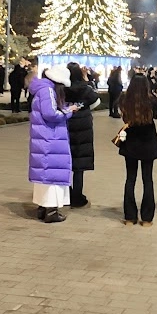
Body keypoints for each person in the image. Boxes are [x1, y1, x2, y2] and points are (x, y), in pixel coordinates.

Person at [28, 65, 79, 223]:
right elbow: (51, 114)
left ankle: (43, 208)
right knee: (53, 176)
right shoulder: (48, 90)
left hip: (44, 138)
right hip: (51, 139)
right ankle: (51, 211)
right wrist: (69, 111)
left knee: (45, 175)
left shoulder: (42, 89)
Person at [118, 73, 157, 226]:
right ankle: (147, 218)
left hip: (130, 142)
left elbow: (123, 115)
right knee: (147, 179)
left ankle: (130, 216)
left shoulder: (124, 99)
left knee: (130, 179)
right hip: (148, 142)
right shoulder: (150, 100)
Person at [65, 62, 101, 208]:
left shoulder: (62, 88)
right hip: (83, 127)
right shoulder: (86, 89)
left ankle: (66, 194)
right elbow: (96, 100)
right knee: (79, 166)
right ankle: (77, 197)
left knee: (65, 162)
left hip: (66, 124)